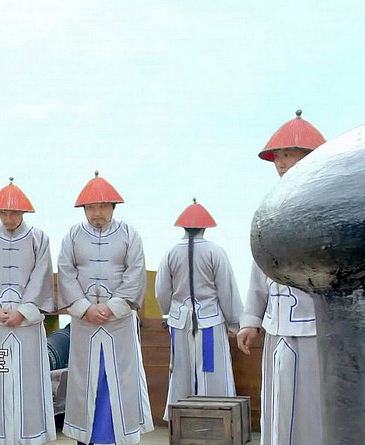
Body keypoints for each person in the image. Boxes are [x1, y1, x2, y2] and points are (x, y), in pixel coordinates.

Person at [236, 110, 325, 445]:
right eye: (278, 156)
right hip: (277, 326)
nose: (282, 163)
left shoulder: (326, 206)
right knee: (278, 407)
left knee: (312, 409)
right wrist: (251, 319)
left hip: (316, 326)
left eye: (290, 155)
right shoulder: (269, 207)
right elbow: (259, 265)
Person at [57, 171, 153, 445]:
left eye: (102, 206)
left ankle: (119, 436)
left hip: (119, 322)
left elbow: (135, 273)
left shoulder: (129, 234)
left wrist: (113, 307)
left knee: (120, 379)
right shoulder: (72, 236)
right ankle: (85, 438)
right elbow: (66, 272)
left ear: (113, 207)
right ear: (84, 209)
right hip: (84, 322)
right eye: (91, 207)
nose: (97, 213)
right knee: (84, 380)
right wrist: (84, 307)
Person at [0, 178, 56, 445]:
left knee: (30, 380)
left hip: (27, 324)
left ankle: (30, 437)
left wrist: (24, 311)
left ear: (23, 212)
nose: (8, 218)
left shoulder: (39, 238)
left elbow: (41, 276)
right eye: (4, 213)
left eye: (14, 213)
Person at [155, 199, 241, 421]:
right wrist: (234, 322)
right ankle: (216, 419)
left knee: (181, 372)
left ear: (183, 227)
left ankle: (182, 420)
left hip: (180, 321)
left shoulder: (170, 253)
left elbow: (161, 291)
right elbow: (227, 289)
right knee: (212, 372)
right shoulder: (215, 251)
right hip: (210, 319)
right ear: (205, 227)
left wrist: (168, 311)